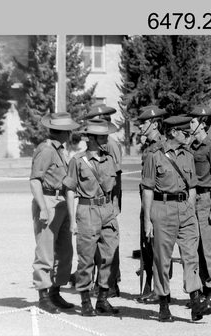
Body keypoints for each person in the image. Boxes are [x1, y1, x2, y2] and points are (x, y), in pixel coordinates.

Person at [141, 115, 211, 322]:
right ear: (173, 132)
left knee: (191, 256)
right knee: (162, 259)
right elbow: (147, 189)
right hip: (162, 209)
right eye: (185, 133)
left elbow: (191, 186)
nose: (189, 136)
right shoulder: (154, 155)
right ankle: (163, 303)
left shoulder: (187, 155)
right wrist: (147, 220)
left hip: (185, 209)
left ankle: (196, 301)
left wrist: (189, 209)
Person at [63, 119, 121, 316]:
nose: (106, 139)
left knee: (108, 256)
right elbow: (69, 191)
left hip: (106, 210)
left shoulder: (110, 159)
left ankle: (103, 299)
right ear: (92, 139)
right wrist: (72, 221)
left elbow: (114, 188)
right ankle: (86, 300)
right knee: (86, 259)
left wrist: (113, 208)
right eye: (103, 136)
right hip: (87, 211)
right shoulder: (77, 161)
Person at [30, 112, 80, 314]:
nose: (71, 134)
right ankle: (43, 295)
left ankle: (55, 292)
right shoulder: (46, 150)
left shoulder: (60, 150)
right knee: (45, 250)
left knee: (65, 250)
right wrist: (42, 207)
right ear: (64, 132)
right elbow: (35, 180)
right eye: (69, 131)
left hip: (61, 202)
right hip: (49, 201)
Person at [81, 104, 124, 298]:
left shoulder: (110, 144)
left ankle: (111, 284)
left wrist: (115, 202)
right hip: (98, 203)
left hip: (107, 202)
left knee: (108, 245)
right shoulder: (98, 142)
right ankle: (105, 282)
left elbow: (116, 176)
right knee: (100, 245)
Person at [187, 106, 211, 310]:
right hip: (193, 200)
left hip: (207, 200)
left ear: (202, 124)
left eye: (193, 122)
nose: (190, 125)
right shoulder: (192, 147)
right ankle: (202, 288)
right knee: (196, 247)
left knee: (209, 248)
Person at [132, 105, 168, 304]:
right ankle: (151, 284)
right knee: (147, 246)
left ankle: (160, 288)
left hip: (156, 200)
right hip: (145, 200)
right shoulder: (148, 146)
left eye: (144, 123)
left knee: (157, 246)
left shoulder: (161, 146)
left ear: (154, 124)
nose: (140, 127)